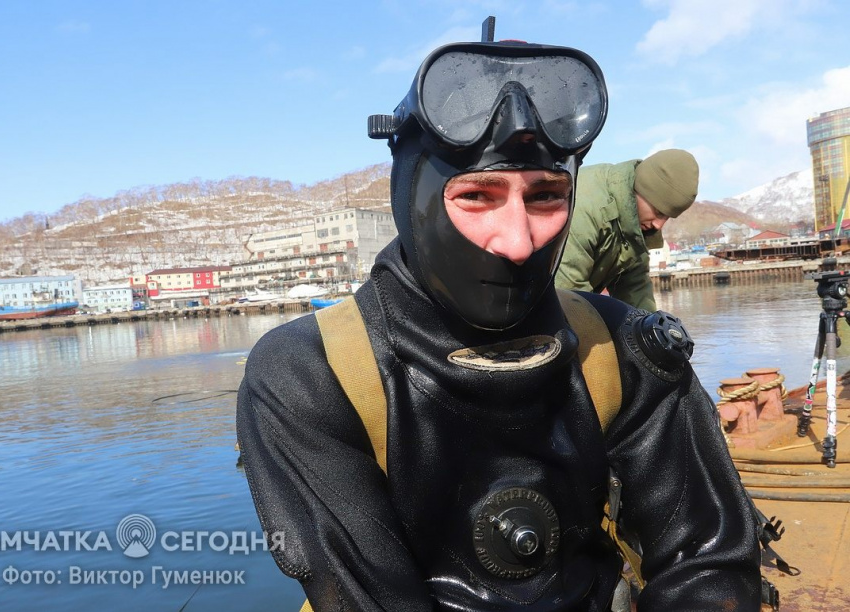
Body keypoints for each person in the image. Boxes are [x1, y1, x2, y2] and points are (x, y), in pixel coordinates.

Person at [236, 24, 761, 612]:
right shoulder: (312, 376)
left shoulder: (625, 352)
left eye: (545, 197)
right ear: (414, 198)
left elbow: (708, 563)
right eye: (478, 197)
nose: (517, 241)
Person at [555, 149, 699, 311]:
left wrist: (648, 327)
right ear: (642, 190)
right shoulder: (586, 207)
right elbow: (569, 295)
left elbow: (635, 287)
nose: (659, 225)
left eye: (667, 217)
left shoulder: (634, 224)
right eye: (658, 212)